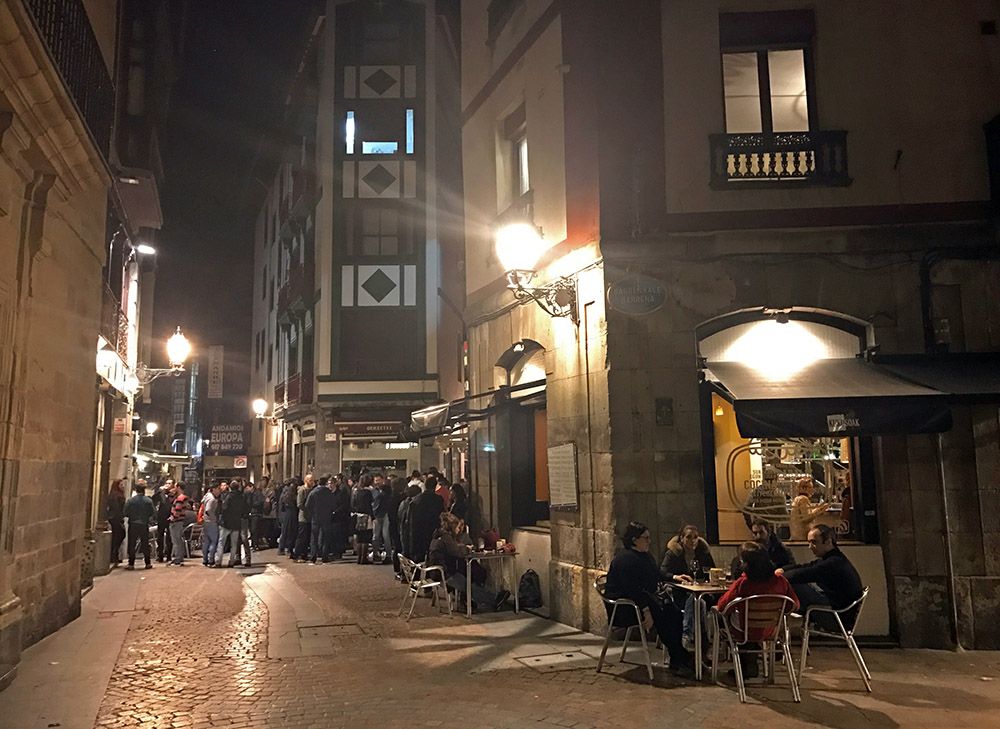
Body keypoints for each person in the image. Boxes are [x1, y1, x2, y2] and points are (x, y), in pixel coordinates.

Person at [604, 521, 693, 674]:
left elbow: (656, 574)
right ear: (635, 540)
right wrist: (646, 611)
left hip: (643, 601)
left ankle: (678, 656)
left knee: (674, 613)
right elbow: (632, 589)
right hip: (626, 607)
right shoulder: (625, 560)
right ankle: (680, 657)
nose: (649, 541)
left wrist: (675, 577)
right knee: (663, 615)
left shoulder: (645, 557)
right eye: (646, 538)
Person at [714, 542, 799, 678]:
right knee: (746, 624)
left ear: (746, 564)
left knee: (719, 616)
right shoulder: (781, 581)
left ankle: (743, 663)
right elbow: (794, 604)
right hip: (770, 631)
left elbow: (722, 605)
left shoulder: (743, 583)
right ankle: (755, 654)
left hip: (744, 629)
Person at [777, 524, 863, 632]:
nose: (810, 547)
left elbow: (804, 574)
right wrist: (783, 570)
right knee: (793, 583)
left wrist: (777, 578)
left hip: (837, 618)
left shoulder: (833, 563)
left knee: (794, 584)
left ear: (828, 541)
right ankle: (782, 616)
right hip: (837, 611)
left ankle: (774, 615)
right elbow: (806, 566)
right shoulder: (833, 558)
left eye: (814, 542)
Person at [428, 513, 508, 612]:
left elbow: (453, 549)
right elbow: (457, 551)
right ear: (452, 527)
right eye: (457, 527)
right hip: (444, 573)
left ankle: (470, 601)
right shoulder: (446, 538)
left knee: (468, 576)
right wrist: (467, 549)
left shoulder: (439, 535)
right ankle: (493, 600)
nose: (458, 530)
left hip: (437, 571)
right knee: (468, 585)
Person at [730, 518, 794, 579]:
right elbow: (737, 573)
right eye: (755, 533)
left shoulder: (781, 549)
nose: (758, 536)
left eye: (761, 533)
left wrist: (782, 570)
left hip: (775, 582)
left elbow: (792, 566)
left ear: (768, 532)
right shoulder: (749, 550)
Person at [407, 475, 445, 563]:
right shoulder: (438, 499)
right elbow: (441, 516)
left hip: (418, 531)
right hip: (433, 531)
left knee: (419, 558)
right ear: (435, 486)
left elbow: (410, 519)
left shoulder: (416, 500)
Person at [123, 482, 155, 570]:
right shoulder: (148, 501)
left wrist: (132, 516)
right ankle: (147, 563)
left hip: (133, 524)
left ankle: (131, 563)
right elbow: (152, 512)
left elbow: (125, 512)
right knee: (145, 543)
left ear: (136, 490)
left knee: (132, 543)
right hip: (144, 524)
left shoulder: (130, 501)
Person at [305, 474, 336, 563]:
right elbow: (334, 505)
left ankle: (313, 556)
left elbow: (307, 505)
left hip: (315, 517)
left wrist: (312, 513)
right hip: (326, 517)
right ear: (326, 483)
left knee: (314, 537)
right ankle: (324, 556)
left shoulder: (313, 492)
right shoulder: (329, 493)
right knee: (326, 537)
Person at [216, 481, 247, 568]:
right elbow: (244, 509)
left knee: (221, 542)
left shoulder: (228, 497)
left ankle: (218, 561)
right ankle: (231, 562)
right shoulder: (241, 497)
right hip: (236, 523)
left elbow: (224, 508)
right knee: (234, 544)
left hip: (226, 523)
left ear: (230, 487)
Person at [789, 477, 829, 541]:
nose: (812, 490)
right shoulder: (803, 499)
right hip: (802, 537)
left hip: (795, 536)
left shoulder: (797, 499)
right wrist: (820, 509)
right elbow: (806, 518)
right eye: (810, 487)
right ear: (803, 488)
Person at [167, 482, 194, 566]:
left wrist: (172, 518)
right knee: (178, 540)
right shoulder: (181, 498)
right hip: (179, 521)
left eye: (175, 486)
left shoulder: (180, 498)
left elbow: (177, 510)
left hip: (176, 522)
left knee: (176, 540)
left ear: (178, 487)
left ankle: (178, 558)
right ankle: (179, 556)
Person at [351, 474, 375, 564]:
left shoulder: (355, 491)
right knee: (365, 538)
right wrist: (372, 516)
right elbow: (370, 505)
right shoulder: (368, 492)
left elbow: (353, 504)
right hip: (366, 515)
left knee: (359, 537)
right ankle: (363, 558)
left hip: (357, 516)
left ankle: (359, 558)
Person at [387, 476, 407, 576]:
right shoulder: (400, 498)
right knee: (400, 548)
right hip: (398, 525)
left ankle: (397, 569)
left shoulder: (391, 497)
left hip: (392, 525)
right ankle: (400, 569)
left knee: (396, 547)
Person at [330, 474, 352, 561]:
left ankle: (338, 553)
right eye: (329, 483)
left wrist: (336, 511)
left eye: (331, 483)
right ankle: (333, 551)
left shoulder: (341, 493)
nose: (330, 485)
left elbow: (344, 505)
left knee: (338, 535)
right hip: (331, 518)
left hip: (339, 518)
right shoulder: (328, 493)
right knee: (333, 536)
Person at [371, 474, 392, 564]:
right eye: (376, 480)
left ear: (383, 480)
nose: (378, 482)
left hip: (385, 514)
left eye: (379, 480)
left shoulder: (387, 490)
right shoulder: (373, 491)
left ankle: (388, 555)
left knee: (386, 535)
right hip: (376, 515)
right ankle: (375, 553)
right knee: (375, 536)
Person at [294, 474, 315, 562]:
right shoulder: (302, 490)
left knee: (307, 538)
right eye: (310, 480)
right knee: (302, 537)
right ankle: (298, 554)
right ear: (306, 481)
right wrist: (307, 510)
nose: (312, 482)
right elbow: (299, 504)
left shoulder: (312, 490)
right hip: (303, 518)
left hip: (310, 518)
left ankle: (305, 554)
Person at [200, 482, 222, 567]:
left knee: (206, 541)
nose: (219, 491)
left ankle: (205, 559)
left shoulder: (206, 496)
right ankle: (210, 559)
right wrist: (214, 518)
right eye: (218, 489)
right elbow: (208, 510)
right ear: (214, 489)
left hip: (206, 521)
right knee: (213, 541)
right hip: (211, 522)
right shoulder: (212, 499)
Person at [153, 480, 174, 562]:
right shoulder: (161, 494)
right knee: (160, 537)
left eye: (169, 483)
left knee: (169, 537)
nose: (167, 485)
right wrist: (159, 491)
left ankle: (169, 555)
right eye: (166, 483)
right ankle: (160, 555)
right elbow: (153, 499)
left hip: (170, 517)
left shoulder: (173, 494)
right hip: (161, 518)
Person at [277, 477, 300, 556]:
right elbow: (291, 502)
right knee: (288, 531)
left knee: (285, 531)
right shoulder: (289, 492)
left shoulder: (284, 491)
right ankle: (286, 548)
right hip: (289, 513)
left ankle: (282, 548)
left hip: (285, 513)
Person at [106, 479, 126, 566]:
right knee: (118, 535)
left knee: (118, 536)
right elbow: (116, 508)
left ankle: (114, 555)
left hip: (115, 518)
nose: (123, 486)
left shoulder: (115, 495)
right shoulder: (116, 496)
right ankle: (114, 556)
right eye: (121, 484)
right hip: (116, 518)